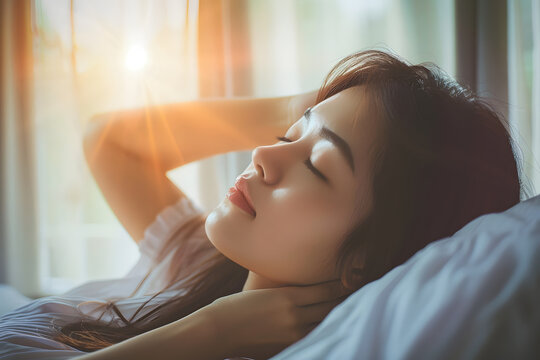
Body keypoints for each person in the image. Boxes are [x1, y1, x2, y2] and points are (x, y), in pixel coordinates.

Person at [0, 49, 523, 360]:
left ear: (367, 260)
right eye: (286, 134)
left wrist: (214, 333)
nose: (263, 153)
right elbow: (108, 141)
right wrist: (318, 106)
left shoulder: (224, 323)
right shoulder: (203, 267)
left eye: (317, 165)